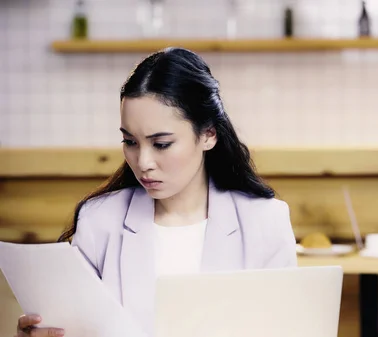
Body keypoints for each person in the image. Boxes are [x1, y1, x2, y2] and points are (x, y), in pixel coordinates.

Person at [16, 48, 298, 337]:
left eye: (161, 143)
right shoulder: (99, 220)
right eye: (130, 141)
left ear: (208, 134)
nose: (143, 162)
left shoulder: (265, 220)